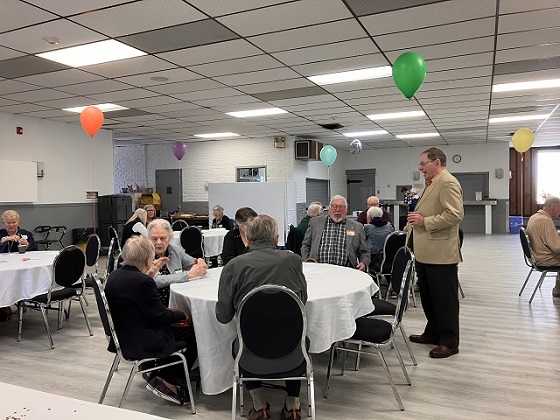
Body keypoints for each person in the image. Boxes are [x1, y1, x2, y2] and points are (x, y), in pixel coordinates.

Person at [216, 215, 307, 420]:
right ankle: (293, 404)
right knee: (295, 333)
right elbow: (303, 301)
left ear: (247, 238)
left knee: (244, 337)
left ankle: (259, 404)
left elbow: (223, 316)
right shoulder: (293, 260)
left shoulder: (234, 266)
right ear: (276, 238)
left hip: (250, 353)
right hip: (293, 351)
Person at [104, 235, 197, 405]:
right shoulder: (143, 283)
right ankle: (168, 380)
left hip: (123, 334)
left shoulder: (114, 276)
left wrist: (150, 273)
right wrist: (183, 315)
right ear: (148, 260)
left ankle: (160, 374)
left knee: (178, 327)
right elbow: (160, 315)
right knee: (191, 333)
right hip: (141, 339)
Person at [406, 147, 464, 359]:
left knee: (445, 300)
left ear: (437, 162)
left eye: (423, 164)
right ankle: (433, 332)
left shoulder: (447, 182)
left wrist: (425, 221)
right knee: (430, 299)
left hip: (440, 252)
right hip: (425, 251)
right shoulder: (432, 183)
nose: (420, 168)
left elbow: (455, 214)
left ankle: (449, 342)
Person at [301, 195, 370, 271]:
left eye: (341, 207)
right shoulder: (315, 223)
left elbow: (364, 251)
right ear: (329, 208)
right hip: (318, 270)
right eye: (335, 207)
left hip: (346, 271)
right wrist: (307, 261)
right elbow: (306, 245)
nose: (338, 210)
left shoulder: (357, 227)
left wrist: (363, 263)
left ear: (346, 210)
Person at [147, 219, 207, 306]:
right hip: (153, 305)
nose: (158, 242)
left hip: (177, 302)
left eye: (163, 238)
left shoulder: (175, 250)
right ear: (148, 239)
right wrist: (188, 275)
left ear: (170, 238)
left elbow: (192, 264)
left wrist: (200, 264)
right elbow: (156, 281)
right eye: (154, 239)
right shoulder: (144, 254)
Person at [526, 195, 560, 297]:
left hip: (536, 256)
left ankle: (558, 289)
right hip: (545, 259)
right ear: (555, 207)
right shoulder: (546, 221)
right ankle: (558, 289)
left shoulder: (534, 217)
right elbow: (557, 248)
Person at [364, 206, 395, 272]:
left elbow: (362, 240)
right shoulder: (389, 226)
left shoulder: (367, 227)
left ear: (369, 217)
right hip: (388, 258)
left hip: (373, 258)